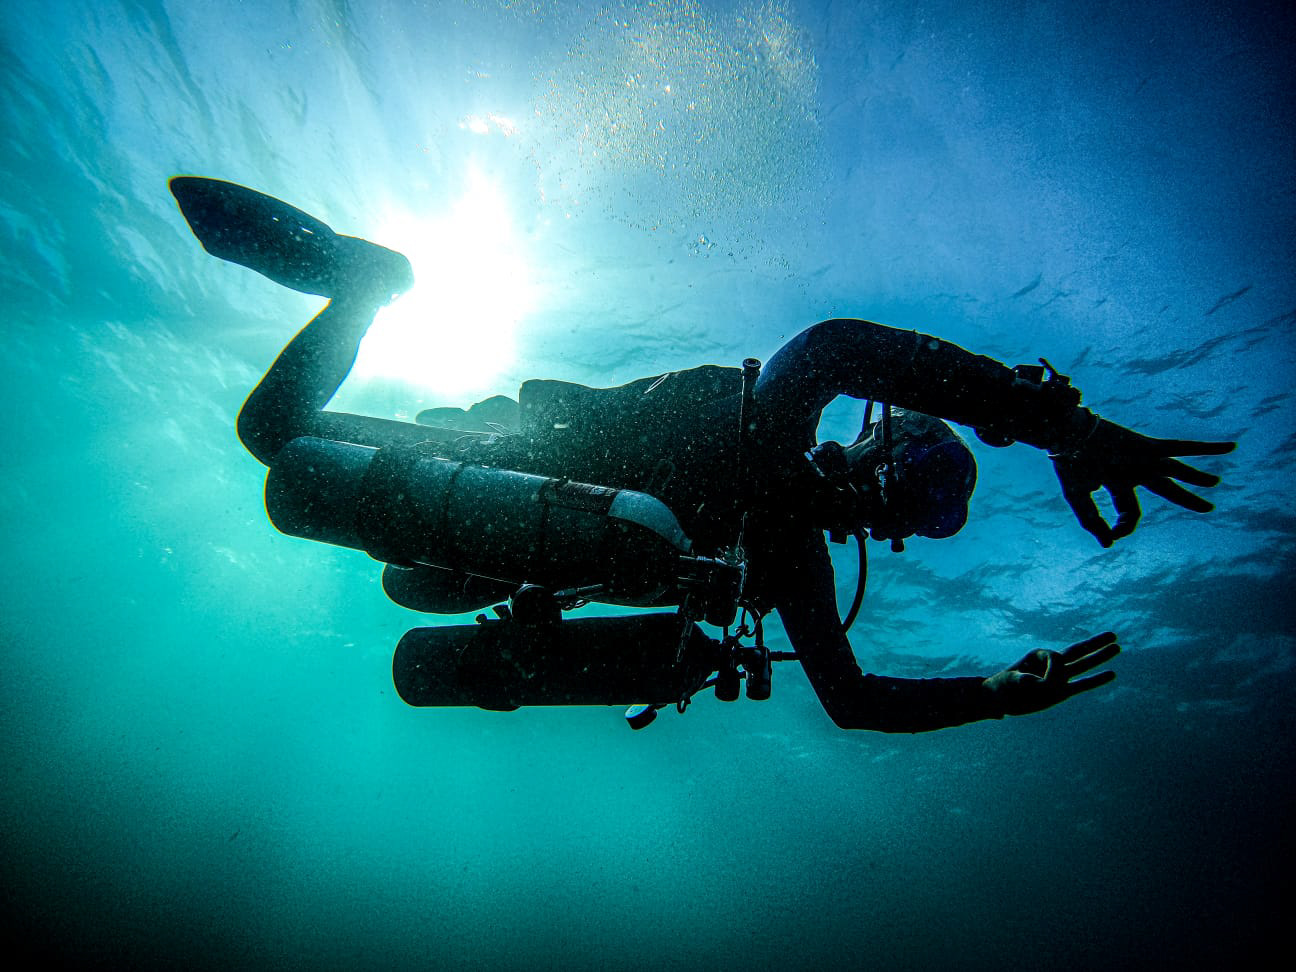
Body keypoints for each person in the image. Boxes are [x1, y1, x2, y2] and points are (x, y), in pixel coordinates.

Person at [170, 176, 1235, 732]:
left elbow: (854, 700)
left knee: (409, 585)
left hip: (508, 542)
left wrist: (997, 692)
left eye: (914, 508)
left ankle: (362, 293)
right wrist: (1061, 423)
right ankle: (367, 285)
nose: (888, 502)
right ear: (875, 432)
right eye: (907, 468)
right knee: (275, 444)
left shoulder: (786, 562)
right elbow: (834, 346)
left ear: (900, 534)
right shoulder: (770, 434)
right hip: (507, 450)